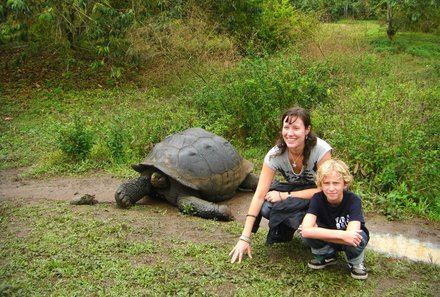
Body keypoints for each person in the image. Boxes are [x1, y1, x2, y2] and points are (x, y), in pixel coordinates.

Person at [229, 107, 332, 263]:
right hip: (297, 192)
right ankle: (289, 229)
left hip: (320, 195)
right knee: (267, 206)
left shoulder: (321, 150)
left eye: (296, 128)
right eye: (286, 127)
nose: (289, 133)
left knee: (311, 231)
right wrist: (244, 237)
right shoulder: (275, 155)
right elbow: (259, 195)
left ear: (307, 130)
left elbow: (325, 189)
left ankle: (321, 236)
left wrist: (286, 196)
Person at [300, 159, 369, 280]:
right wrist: (342, 235)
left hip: (349, 241)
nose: (331, 188)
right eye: (326, 183)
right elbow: (305, 231)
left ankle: (356, 262)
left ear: (345, 183)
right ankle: (327, 255)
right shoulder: (317, 198)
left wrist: (317, 232)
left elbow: (352, 237)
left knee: (359, 237)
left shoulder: (353, 200)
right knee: (305, 235)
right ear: (320, 185)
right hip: (337, 237)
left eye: (336, 183)